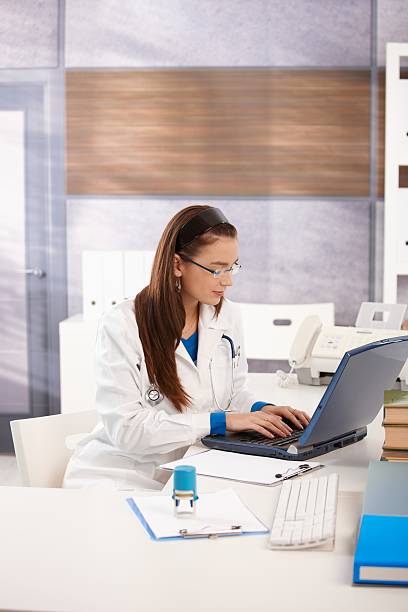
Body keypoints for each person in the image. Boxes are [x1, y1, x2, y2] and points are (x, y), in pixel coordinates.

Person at [63, 205, 310, 491]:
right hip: (123, 475)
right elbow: (127, 431)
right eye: (216, 269)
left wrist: (263, 411)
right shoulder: (123, 325)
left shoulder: (227, 315)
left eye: (232, 268)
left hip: (195, 464)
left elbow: (232, 394)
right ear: (178, 265)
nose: (228, 281)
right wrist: (222, 421)